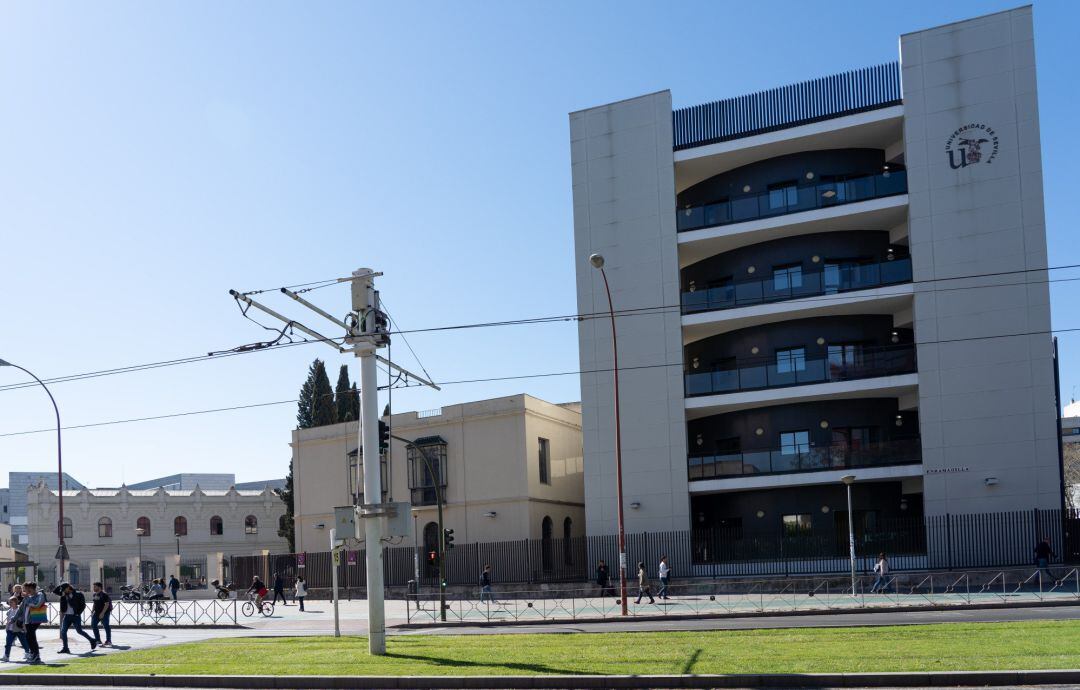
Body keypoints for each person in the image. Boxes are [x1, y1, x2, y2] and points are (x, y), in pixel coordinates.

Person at [55, 582, 97, 654]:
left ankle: (92, 640)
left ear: (68, 588)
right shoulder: (64, 594)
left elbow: (83, 605)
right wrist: (61, 586)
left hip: (75, 616)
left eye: (64, 589)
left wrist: (78, 613)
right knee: (63, 632)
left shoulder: (78, 594)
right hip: (67, 616)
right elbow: (55, 591)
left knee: (79, 631)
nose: (63, 591)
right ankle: (65, 648)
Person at [16, 582, 45, 663]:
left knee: (31, 637)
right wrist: (14, 619)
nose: (25, 591)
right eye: (25, 589)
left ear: (32, 588)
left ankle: (36, 655)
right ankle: (34, 654)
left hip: (35, 619)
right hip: (27, 621)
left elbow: (36, 604)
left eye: (27, 589)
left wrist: (27, 597)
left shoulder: (40, 595)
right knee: (29, 638)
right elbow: (20, 609)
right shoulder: (27, 597)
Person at [3, 594, 28, 663]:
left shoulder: (19, 610)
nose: (10, 603)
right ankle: (6, 656)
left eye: (12, 602)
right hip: (10, 630)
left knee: (24, 642)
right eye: (9, 602)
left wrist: (24, 628)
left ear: (16, 602)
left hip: (19, 629)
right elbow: (8, 620)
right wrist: (7, 628)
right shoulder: (9, 611)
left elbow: (23, 620)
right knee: (8, 643)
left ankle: (27, 653)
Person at [91, 582, 112, 648]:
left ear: (99, 587)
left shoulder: (104, 594)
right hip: (96, 613)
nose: (93, 588)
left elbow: (107, 604)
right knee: (93, 625)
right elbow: (94, 603)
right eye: (93, 587)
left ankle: (108, 640)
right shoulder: (94, 594)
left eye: (95, 587)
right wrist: (92, 611)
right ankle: (98, 640)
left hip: (105, 613)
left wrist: (102, 613)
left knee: (106, 626)